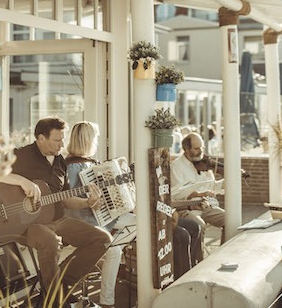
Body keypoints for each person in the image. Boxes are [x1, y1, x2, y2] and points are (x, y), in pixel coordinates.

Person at [64, 121, 201, 303]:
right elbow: (70, 202)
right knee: (131, 234)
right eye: (95, 138)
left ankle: (120, 254)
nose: (97, 142)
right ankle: (110, 296)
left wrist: (120, 167)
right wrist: (89, 202)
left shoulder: (89, 164)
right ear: (87, 140)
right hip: (88, 221)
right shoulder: (72, 167)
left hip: (103, 218)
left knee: (143, 222)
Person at [0, 117, 112, 305]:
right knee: (49, 242)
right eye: (57, 140)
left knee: (102, 239)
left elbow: (65, 199)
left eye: (63, 139)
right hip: (24, 222)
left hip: (56, 220)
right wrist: (22, 181)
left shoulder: (60, 162)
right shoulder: (22, 154)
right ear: (41, 138)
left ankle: (58, 287)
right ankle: (55, 300)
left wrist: (87, 203)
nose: (62, 144)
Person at [171, 133, 226, 246]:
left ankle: (224, 252)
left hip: (206, 206)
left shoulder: (203, 163)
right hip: (187, 208)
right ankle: (199, 262)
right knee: (199, 225)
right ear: (186, 149)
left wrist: (229, 180)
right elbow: (178, 194)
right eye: (196, 148)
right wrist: (200, 194)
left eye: (201, 148)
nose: (200, 151)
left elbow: (212, 186)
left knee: (229, 219)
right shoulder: (176, 166)